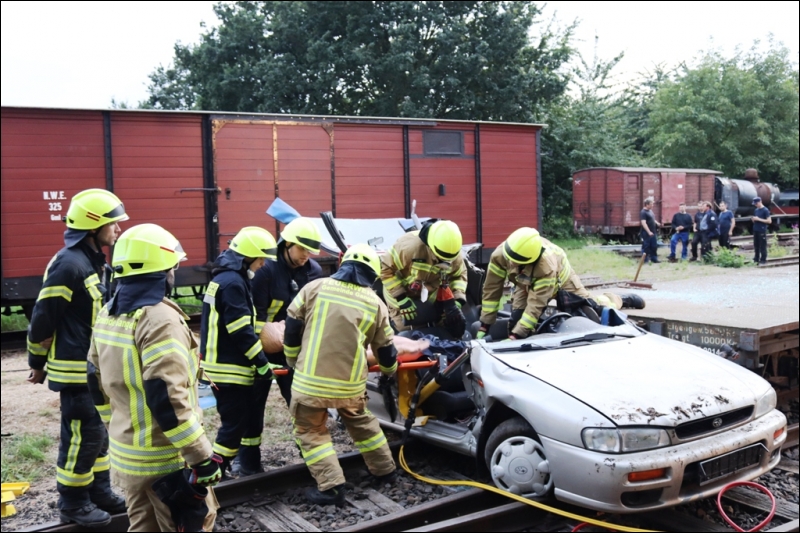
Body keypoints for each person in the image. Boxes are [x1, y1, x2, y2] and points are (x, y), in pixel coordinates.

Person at [87, 224, 221, 532]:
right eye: (173, 266)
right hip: (167, 461)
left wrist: (115, 426)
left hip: (129, 458)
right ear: (163, 271)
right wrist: (201, 457)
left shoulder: (108, 314)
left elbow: (94, 380)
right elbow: (168, 398)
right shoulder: (159, 319)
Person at [26, 189, 128, 527]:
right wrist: (36, 362)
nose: (118, 229)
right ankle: (72, 502)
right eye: (113, 223)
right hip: (74, 371)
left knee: (97, 435)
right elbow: (43, 318)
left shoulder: (90, 260)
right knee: (82, 437)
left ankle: (98, 492)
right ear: (93, 226)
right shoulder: (69, 264)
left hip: (93, 369)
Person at [284, 243, 398, 506]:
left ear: (343, 264)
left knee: (311, 431)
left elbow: (291, 327)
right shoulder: (376, 303)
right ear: (372, 274)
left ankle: (331, 487)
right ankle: (386, 471)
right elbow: (387, 351)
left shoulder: (314, 288)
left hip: (310, 384)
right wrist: (389, 373)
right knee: (362, 423)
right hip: (350, 387)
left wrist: (292, 359)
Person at [241, 217, 322, 477]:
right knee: (253, 406)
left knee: (302, 404)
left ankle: (311, 457)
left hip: (295, 352)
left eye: (310, 252)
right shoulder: (265, 271)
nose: (306, 256)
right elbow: (257, 319)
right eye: (302, 250)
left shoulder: (313, 271)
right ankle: (249, 464)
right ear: (287, 244)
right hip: (261, 351)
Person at [200, 227, 278, 478]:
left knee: (239, 422)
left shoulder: (225, 279)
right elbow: (241, 330)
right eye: (260, 258)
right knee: (234, 426)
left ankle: (226, 471)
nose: (263, 263)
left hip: (220, 368)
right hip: (228, 371)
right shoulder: (233, 283)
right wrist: (262, 363)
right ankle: (212, 474)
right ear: (247, 257)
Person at [476, 228, 645, 340]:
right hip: (525, 283)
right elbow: (492, 290)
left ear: (530, 260)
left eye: (516, 263)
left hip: (561, 279)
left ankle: (616, 299)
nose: (511, 265)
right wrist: (485, 323)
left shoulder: (545, 266)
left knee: (593, 307)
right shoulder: (501, 255)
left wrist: (516, 335)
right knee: (516, 321)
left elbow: (535, 305)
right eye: (509, 261)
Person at [379, 219, 467, 336]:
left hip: (429, 297)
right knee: (408, 336)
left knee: (441, 336)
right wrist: (401, 299)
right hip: (400, 295)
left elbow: (459, 276)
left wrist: (458, 300)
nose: (445, 262)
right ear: (430, 245)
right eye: (440, 258)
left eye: (448, 260)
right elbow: (385, 269)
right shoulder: (408, 248)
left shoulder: (454, 255)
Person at [639, 198, 660, 263]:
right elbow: (643, 223)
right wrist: (648, 232)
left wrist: (656, 222)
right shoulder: (643, 212)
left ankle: (654, 259)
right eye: (651, 204)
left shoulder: (650, 211)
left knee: (654, 246)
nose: (652, 205)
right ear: (647, 205)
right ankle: (645, 260)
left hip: (653, 231)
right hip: (646, 233)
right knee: (646, 246)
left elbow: (652, 218)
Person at [751, 197, 772, 264]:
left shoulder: (765, 210)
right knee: (756, 245)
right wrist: (754, 220)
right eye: (755, 204)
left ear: (760, 202)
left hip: (762, 230)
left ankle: (763, 259)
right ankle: (756, 258)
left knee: (762, 245)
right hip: (756, 229)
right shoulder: (756, 210)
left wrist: (758, 219)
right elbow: (756, 219)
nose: (755, 205)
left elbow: (769, 221)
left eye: (756, 203)